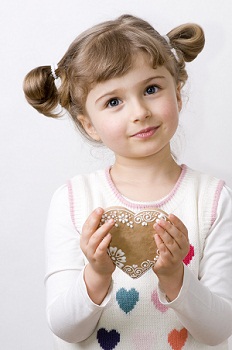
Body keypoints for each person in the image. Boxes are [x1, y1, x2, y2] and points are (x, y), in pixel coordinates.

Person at [23, 14, 232, 350]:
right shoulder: (75, 200)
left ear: (177, 94)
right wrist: (97, 273)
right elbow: (64, 327)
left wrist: (175, 276)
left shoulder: (212, 199)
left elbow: (220, 329)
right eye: (114, 102)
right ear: (89, 124)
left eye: (151, 89)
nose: (139, 111)